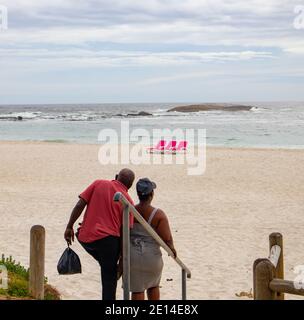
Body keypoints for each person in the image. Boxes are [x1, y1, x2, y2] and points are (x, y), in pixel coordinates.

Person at [64, 168, 135, 300]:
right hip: (109, 242)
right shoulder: (128, 201)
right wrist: (122, 257)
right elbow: (126, 232)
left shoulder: (98, 183)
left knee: (82, 234)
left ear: (116, 176)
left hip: (86, 238)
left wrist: (69, 226)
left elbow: (80, 204)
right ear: (129, 186)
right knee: (109, 277)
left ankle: (108, 264)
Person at [129, 178, 177, 300]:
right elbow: (167, 238)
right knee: (153, 286)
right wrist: (172, 248)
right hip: (152, 257)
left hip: (133, 256)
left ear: (138, 194)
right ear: (151, 194)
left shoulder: (130, 211)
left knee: (137, 290)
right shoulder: (158, 214)